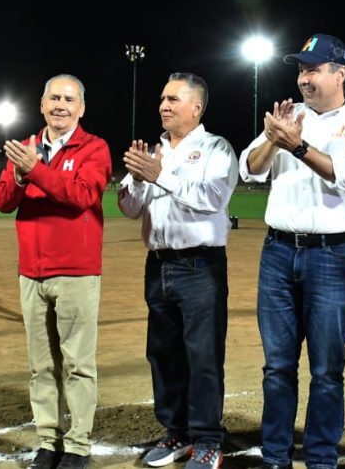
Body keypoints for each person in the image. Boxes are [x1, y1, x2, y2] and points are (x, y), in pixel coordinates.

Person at [239, 33, 345, 469]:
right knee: (277, 367)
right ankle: (275, 456)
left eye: (313, 69)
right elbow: (250, 170)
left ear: (340, 74)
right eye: (301, 70)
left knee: (326, 370)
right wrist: (272, 138)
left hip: (333, 255)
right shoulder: (289, 117)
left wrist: (297, 146)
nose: (304, 78)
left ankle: (321, 458)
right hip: (278, 252)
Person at [118, 73, 239, 469]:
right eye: (162, 98)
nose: (163, 105)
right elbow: (129, 208)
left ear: (196, 108)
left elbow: (213, 198)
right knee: (163, 354)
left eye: (173, 99)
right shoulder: (155, 151)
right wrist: (138, 181)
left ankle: (207, 439)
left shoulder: (216, 148)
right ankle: (177, 432)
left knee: (202, 356)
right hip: (158, 265)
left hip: (200, 265)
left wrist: (160, 175)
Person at [0, 74, 111, 469]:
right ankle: (48, 440)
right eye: (54, 98)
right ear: (42, 105)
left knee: (78, 365)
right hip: (31, 272)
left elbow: (82, 195)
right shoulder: (25, 147)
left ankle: (77, 445)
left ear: (81, 108)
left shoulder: (94, 148)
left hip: (76, 272)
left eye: (69, 99)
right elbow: (1, 201)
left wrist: (35, 170)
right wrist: (19, 174)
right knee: (41, 366)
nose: (61, 105)